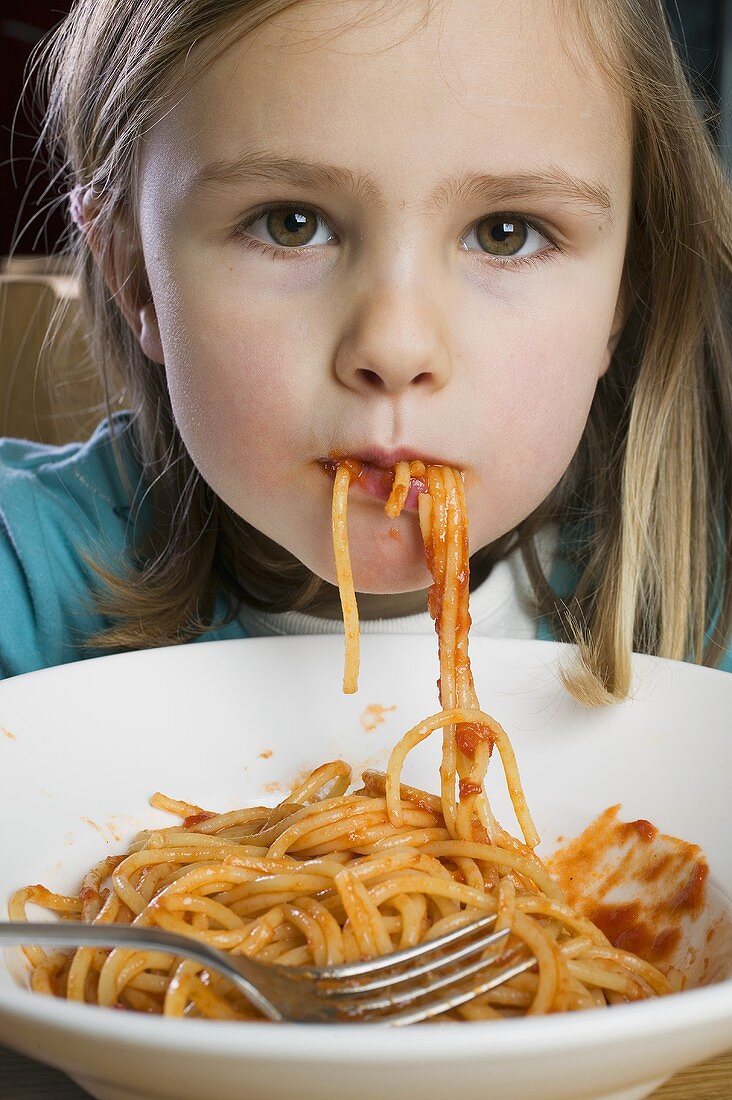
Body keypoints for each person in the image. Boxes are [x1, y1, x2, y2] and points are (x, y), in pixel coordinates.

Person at [1, 0, 730, 704]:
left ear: (620, 300)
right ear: (134, 275)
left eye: (507, 232)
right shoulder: (23, 594)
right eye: (291, 225)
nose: (396, 346)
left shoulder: (699, 621)